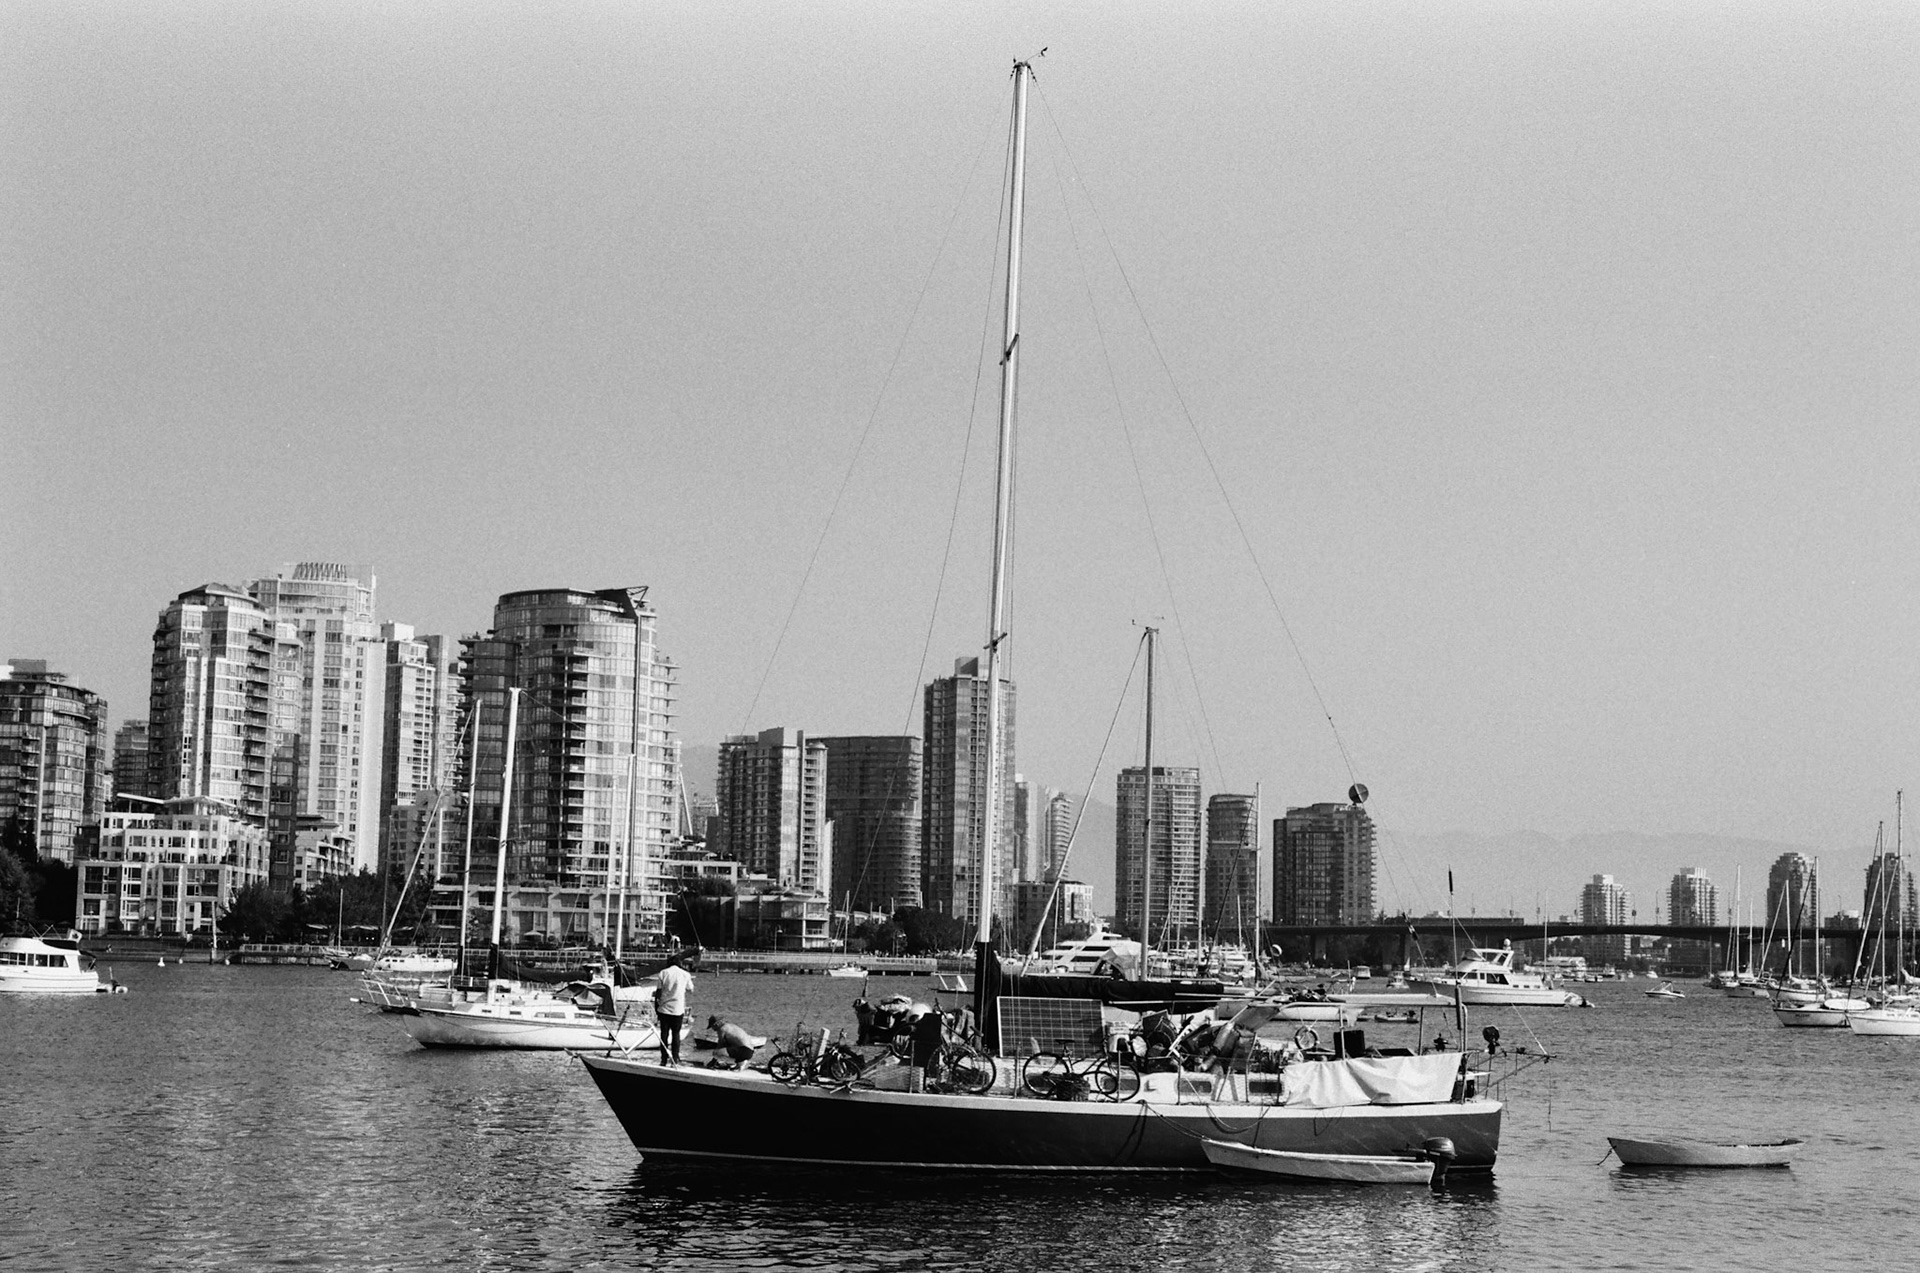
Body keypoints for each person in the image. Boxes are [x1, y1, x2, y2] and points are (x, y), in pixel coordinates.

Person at [653, 951, 694, 1065]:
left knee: (664, 1035)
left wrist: (656, 1006)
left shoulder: (663, 973)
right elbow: (691, 989)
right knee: (676, 1034)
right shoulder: (685, 974)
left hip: (664, 1008)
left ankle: (663, 1059)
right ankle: (675, 1059)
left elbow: (658, 992)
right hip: (678, 1009)